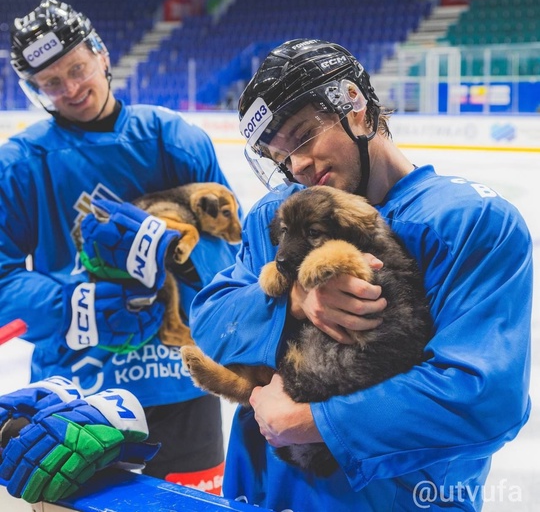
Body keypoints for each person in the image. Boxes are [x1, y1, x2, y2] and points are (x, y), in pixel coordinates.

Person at [187, 39, 533, 510]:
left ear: (356, 107)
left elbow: (484, 399)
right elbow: (210, 321)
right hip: (261, 495)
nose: (298, 167)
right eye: (282, 158)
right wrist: (293, 299)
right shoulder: (281, 212)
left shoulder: (469, 221)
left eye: (304, 136)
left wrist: (314, 420)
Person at [0, 0, 239, 490]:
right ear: (35, 90)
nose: (71, 88)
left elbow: (234, 259)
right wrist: (72, 305)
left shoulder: (173, 139)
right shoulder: (20, 164)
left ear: (102, 55)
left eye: (77, 68)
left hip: (183, 382)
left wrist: (182, 256)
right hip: (76, 392)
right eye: (50, 83)